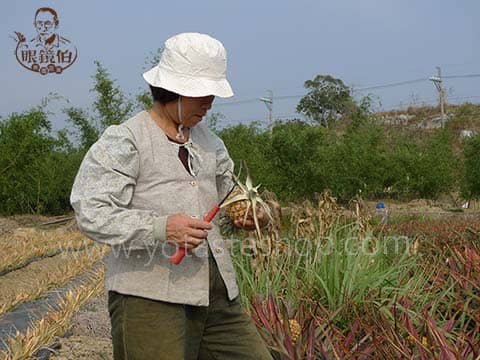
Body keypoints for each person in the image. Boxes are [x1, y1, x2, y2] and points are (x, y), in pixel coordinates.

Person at [70, 32, 274, 359]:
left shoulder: (211, 143)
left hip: (217, 295)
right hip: (149, 299)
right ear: (173, 90)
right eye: (201, 93)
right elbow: (92, 212)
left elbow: (230, 197)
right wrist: (162, 228)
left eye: (212, 94)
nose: (209, 103)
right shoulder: (126, 141)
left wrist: (251, 213)